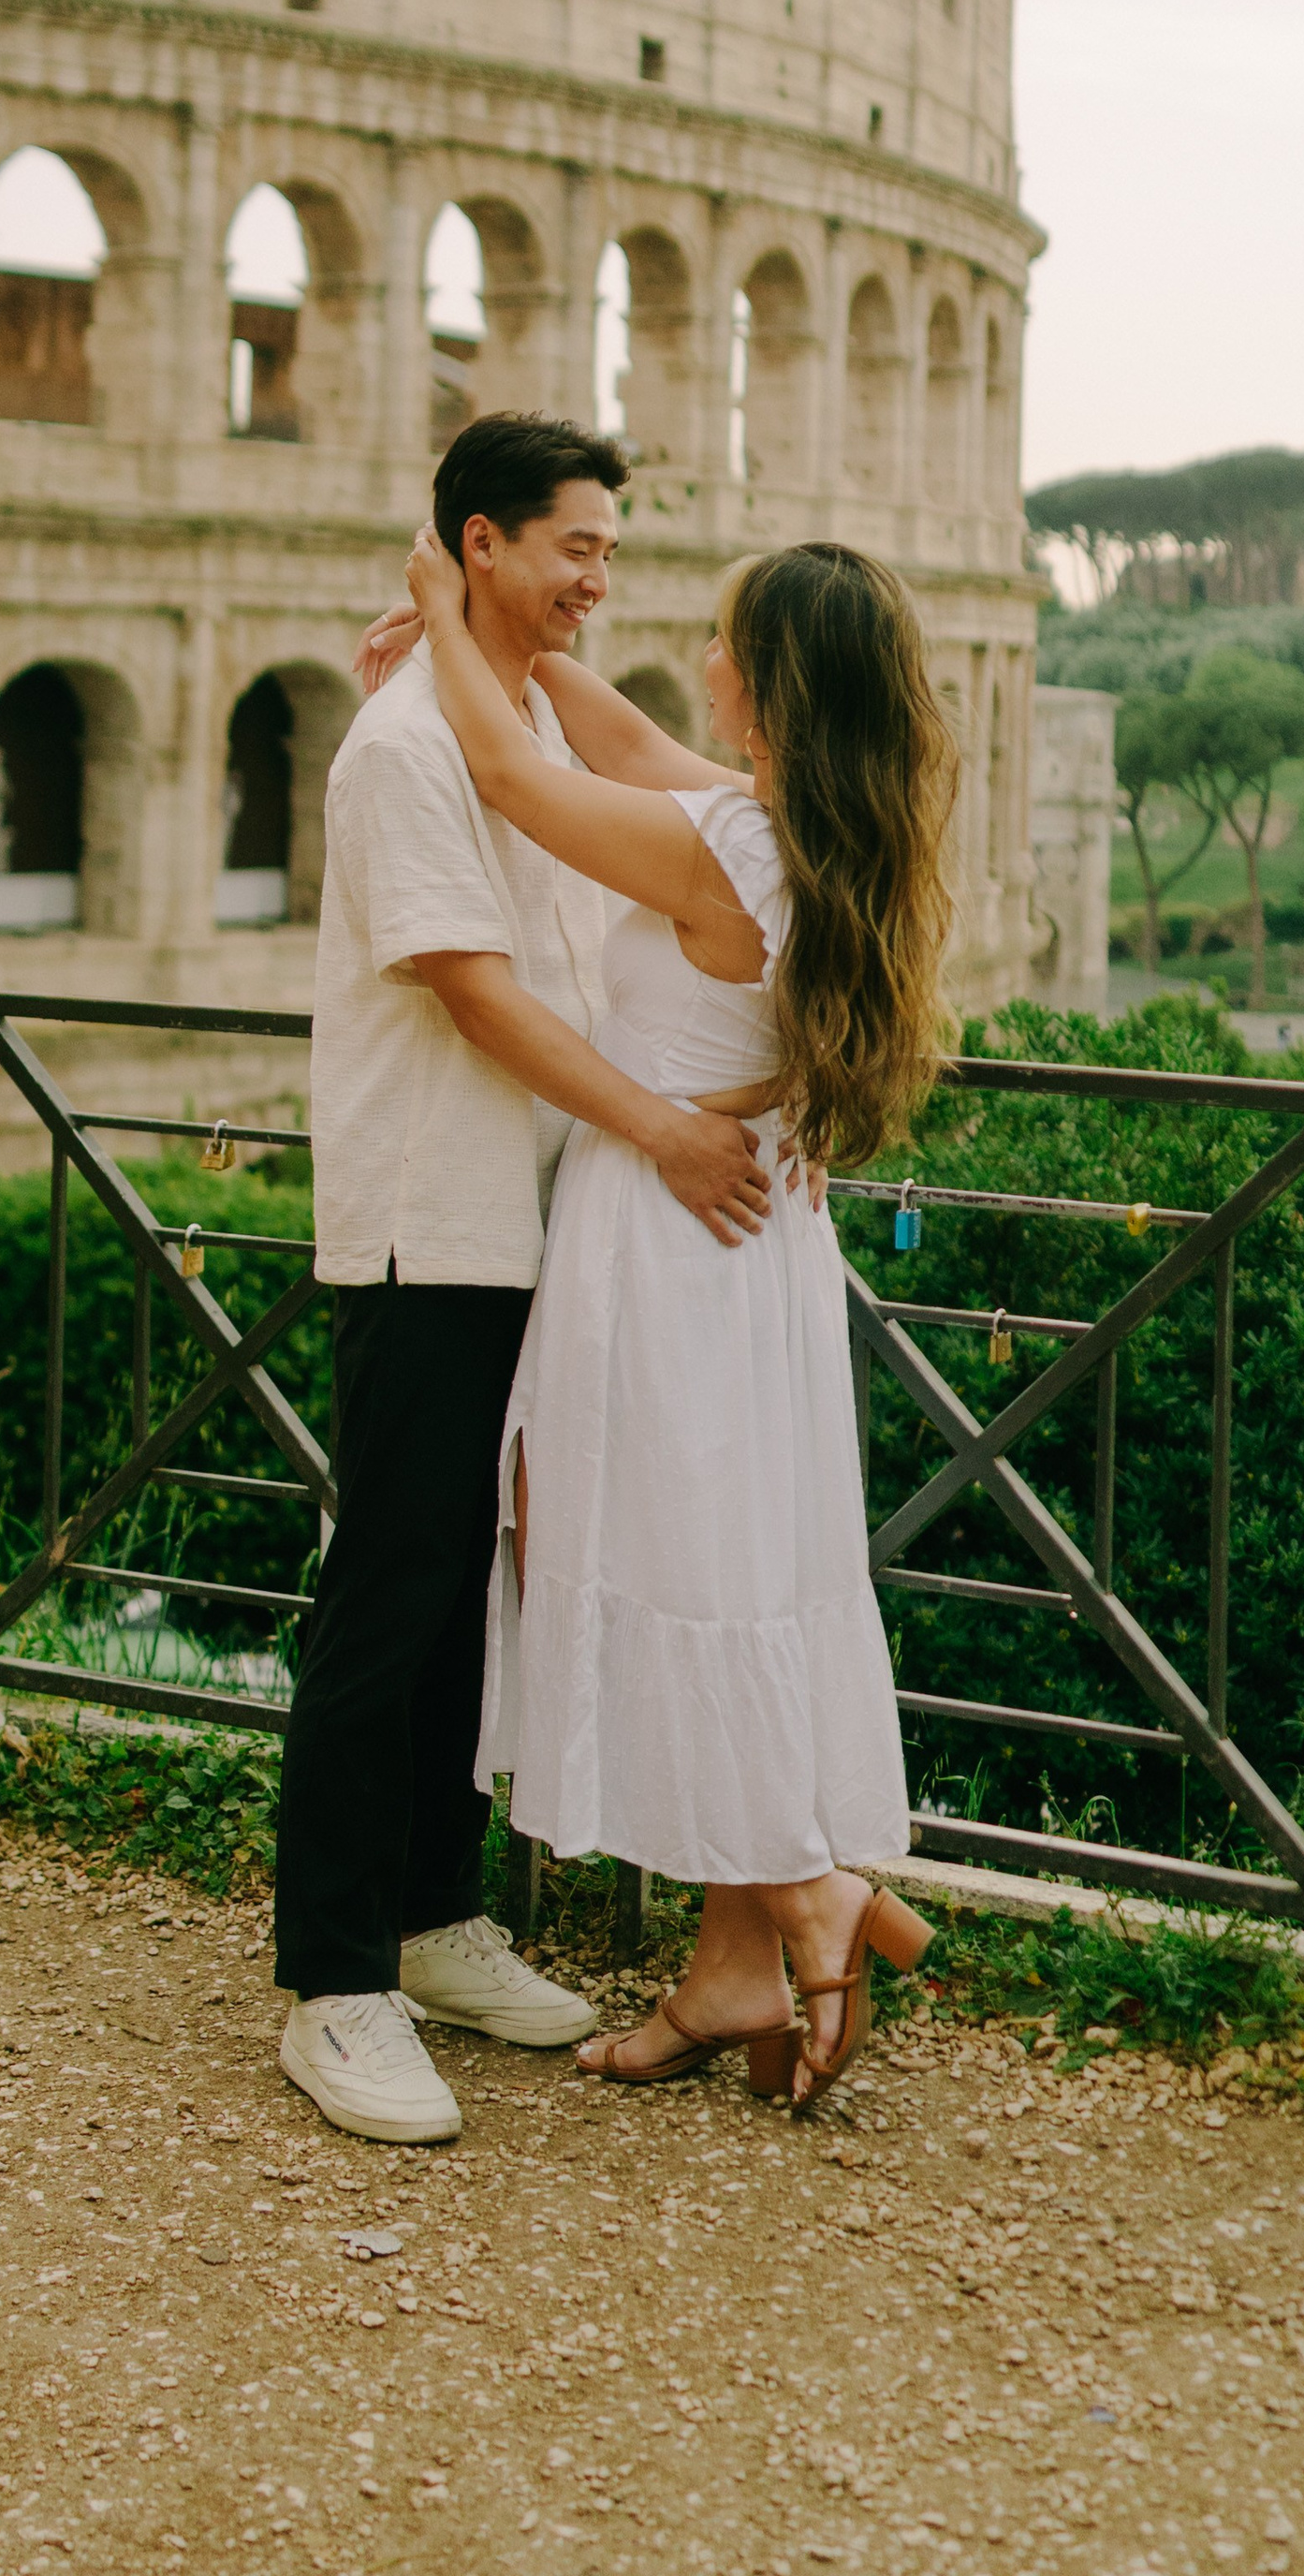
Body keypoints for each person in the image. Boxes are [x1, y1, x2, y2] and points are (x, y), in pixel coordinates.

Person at [401, 524, 954, 2111]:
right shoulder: (810, 833)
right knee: (736, 1578)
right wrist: (528, 639)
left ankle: (805, 1890)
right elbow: (623, 739)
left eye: (723, 644)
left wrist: (452, 605)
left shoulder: (732, 853)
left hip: (672, 1232)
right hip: (755, 1235)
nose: (698, 667)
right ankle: (732, 1970)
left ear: (773, 687)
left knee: (657, 1566)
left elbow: (515, 782)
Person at [273, 412, 773, 2146]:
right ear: (481, 543)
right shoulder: (406, 747)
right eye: (572, 547)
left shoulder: (525, 715)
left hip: (541, 1220)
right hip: (437, 1212)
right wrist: (664, 1128)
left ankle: (431, 1918)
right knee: (389, 1584)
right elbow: (475, 994)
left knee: (468, 1587)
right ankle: (334, 1981)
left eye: (612, 554)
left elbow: (648, 770)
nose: (596, 581)